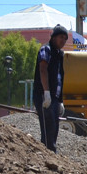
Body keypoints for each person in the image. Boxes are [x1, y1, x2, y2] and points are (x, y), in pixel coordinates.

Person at [32, 24, 68, 152]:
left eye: (65, 38)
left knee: (54, 127)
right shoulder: (46, 49)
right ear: (53, 37)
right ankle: (48, 154)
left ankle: (50, 153)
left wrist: (60, 100)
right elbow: (43, 70)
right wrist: (46, 92)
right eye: (60, 37)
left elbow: (60, 77)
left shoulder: (59, 54)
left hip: (54, 97)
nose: (62, 41)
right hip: (44, 95)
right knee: (48, 127)